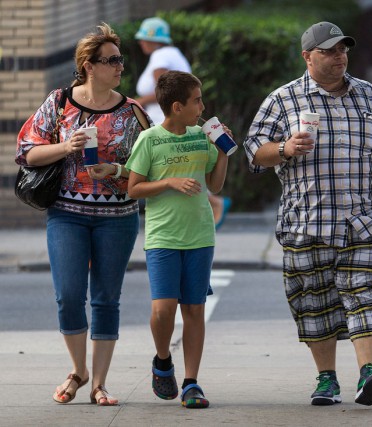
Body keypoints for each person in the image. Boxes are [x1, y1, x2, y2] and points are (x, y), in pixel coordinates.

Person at [244, 21, 372, 407]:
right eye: (330, 51)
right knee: (314, 303)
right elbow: (254, 152)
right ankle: (327, 380)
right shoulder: (283, 99)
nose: (340, 57)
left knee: (367, 295)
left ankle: (369, 372)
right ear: (308, 57)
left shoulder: (369, 94)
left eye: (343, 50)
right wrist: (284, 148)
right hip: (308, 221)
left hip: (365, 217)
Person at [15, 23, 149, 406]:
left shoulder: (133, 112)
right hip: (67, 214)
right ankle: (79, 370)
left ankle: (99, 384)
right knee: (69, 295)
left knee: (106, 298)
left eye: (121, 60)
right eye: (112, 61)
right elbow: (26, 151)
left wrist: (120, 172)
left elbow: (150, 164)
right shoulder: (60, 103)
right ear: (89, 66)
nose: (120, 67)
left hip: (118, 217)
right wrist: (65, 146)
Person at [126, 71, 229, 408]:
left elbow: (215, 185)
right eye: (196, 100)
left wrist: (224, 152)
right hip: (163, 237)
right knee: (163, 310)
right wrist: (169, 183)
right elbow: (133, 188)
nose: (202, 106)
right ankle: (162, 361)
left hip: (200, 235)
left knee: (194, 310)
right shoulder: (150, 140)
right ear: (176, 106)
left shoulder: (203, 136)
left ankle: (191, 383)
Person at [134, 16, 231, 228]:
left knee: (169, 169)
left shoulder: (161, 56)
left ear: (154, 40)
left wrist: (135, 102)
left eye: (143, 38)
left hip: (164, 122)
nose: (140, 42)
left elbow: (165, 93)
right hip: (166, 122)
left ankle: (213, 203)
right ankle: (209, 203)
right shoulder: (173, 53)